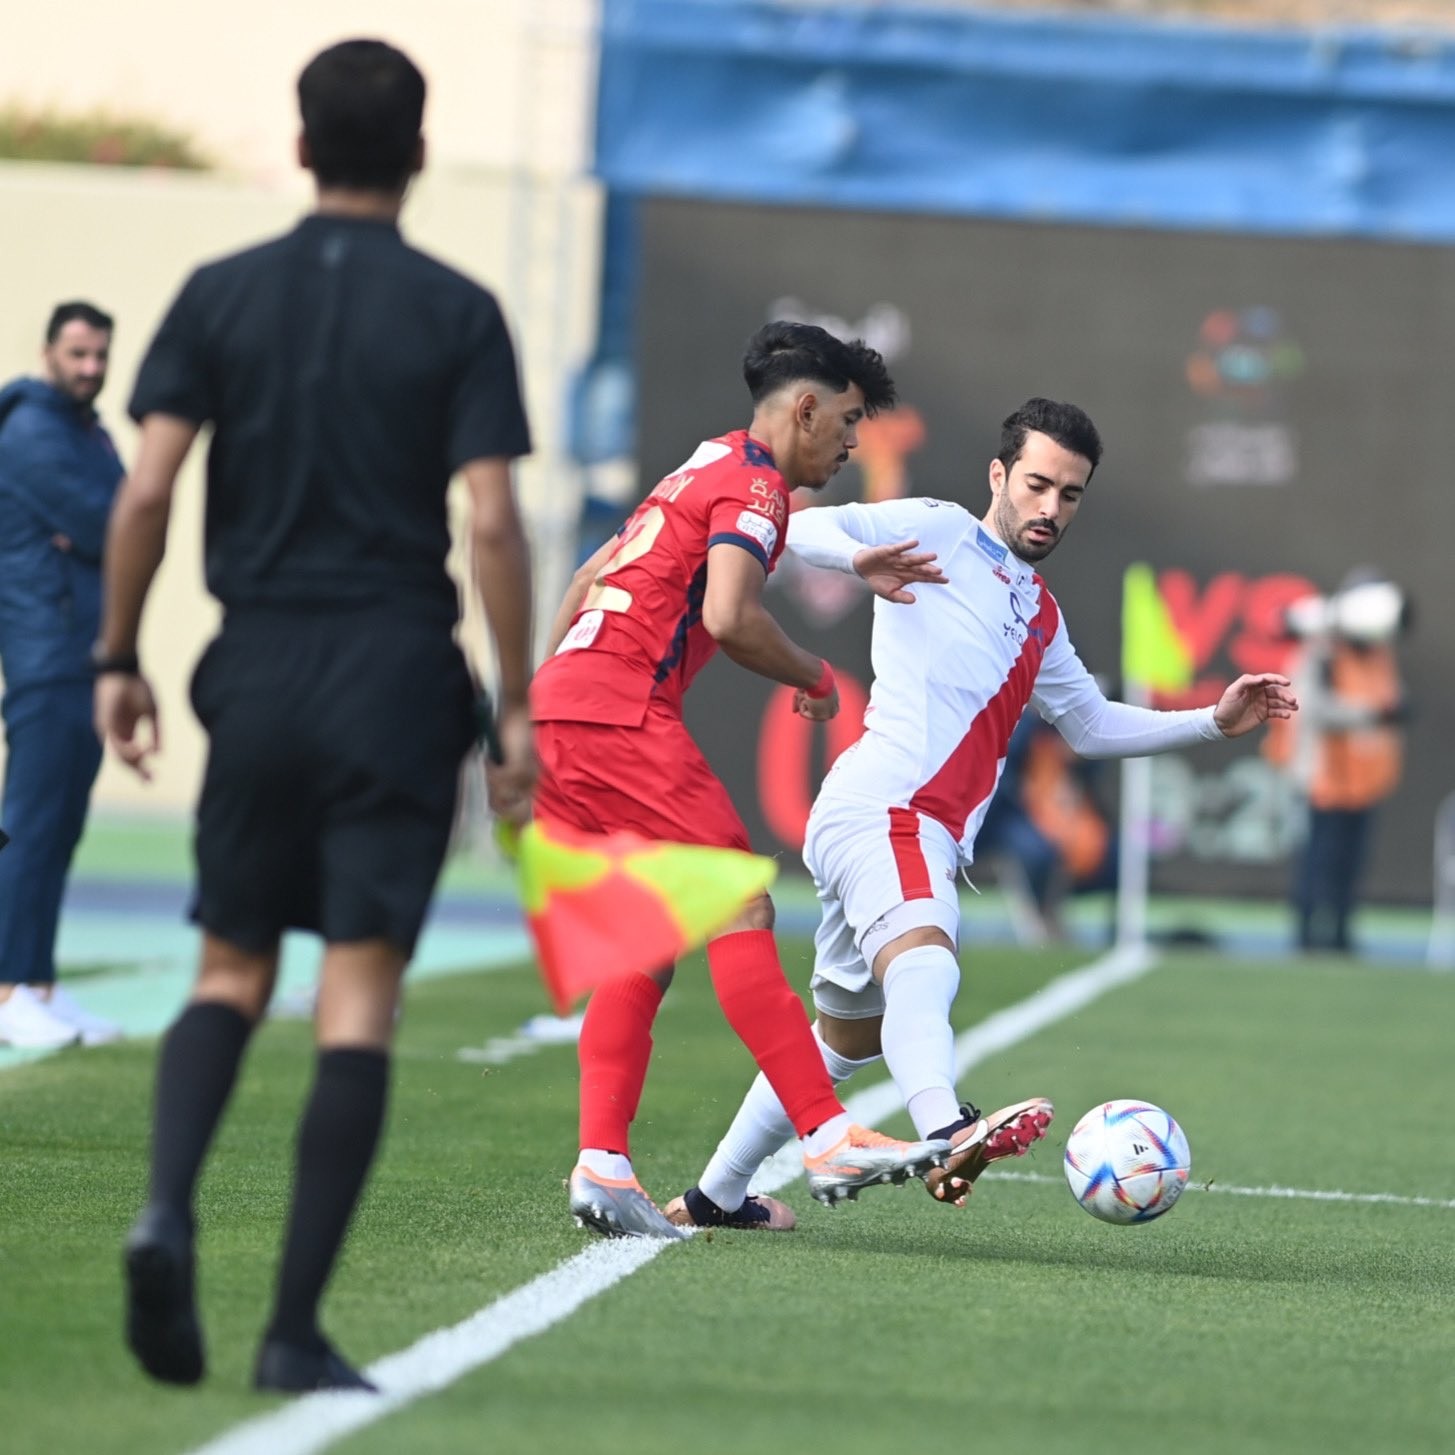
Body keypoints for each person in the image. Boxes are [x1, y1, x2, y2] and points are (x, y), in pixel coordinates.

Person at [95, 40, 535, 1394]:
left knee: (229, 968)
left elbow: (148, 489)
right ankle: (291, 1330)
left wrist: (118, 654)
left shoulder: (220, 292)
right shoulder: (459, 311)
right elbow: (491, 521)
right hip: (394, 676)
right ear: (418, 153)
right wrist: (513, 706)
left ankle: (165, 1209)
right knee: (357, 995)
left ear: (298, 146)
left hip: (262, 665)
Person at [666, 398, 1298, 1230]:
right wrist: (858, 559)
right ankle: (946, 1128)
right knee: (925, 961)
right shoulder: (938, 528)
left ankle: (713, 1196)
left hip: (890, 819)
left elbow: (1089, 723)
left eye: (1069, 494)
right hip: (891, 806)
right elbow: (798, 525)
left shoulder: (1039, 612)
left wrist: (1210, 721)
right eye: (1036, 484)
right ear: (998, 474)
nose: (1050, 507)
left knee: (844, 1039)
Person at [530, 320, 953, 1239]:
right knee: (740, 904)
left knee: (645, 935)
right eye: (847, 420)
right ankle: (826, 1131)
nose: (852, 443)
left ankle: (603, 1162)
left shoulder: (704, 465)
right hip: (619, 712)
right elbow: (729, 615)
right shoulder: (755, 481)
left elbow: (588, 577)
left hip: (561, 706)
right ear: (803, 409)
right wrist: (813, 673)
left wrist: (548, 699)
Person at [0, 302, 126, 1049]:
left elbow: (132, 517)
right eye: (78, 353)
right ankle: (7, 988)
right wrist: (109, 532)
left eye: (100, 354)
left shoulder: (86, 430)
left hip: (86, 654)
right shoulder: (31, 431)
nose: (90, 367)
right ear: (48, 350)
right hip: (45, 655)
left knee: (61, 828)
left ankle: (39, 983)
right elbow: (115, 523)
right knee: (30, 826)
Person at [1264, 570, 1406, 953]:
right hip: (1322, 777)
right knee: (1317, 858)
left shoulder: (1377, 653)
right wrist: (1372, 715)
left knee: (1351, 862)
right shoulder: (1322, 652)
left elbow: (1387, 698)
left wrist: (1389, 713)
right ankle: (1307, 933)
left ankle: (1341, 932)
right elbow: (1312, 709)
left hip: (1363, 779)